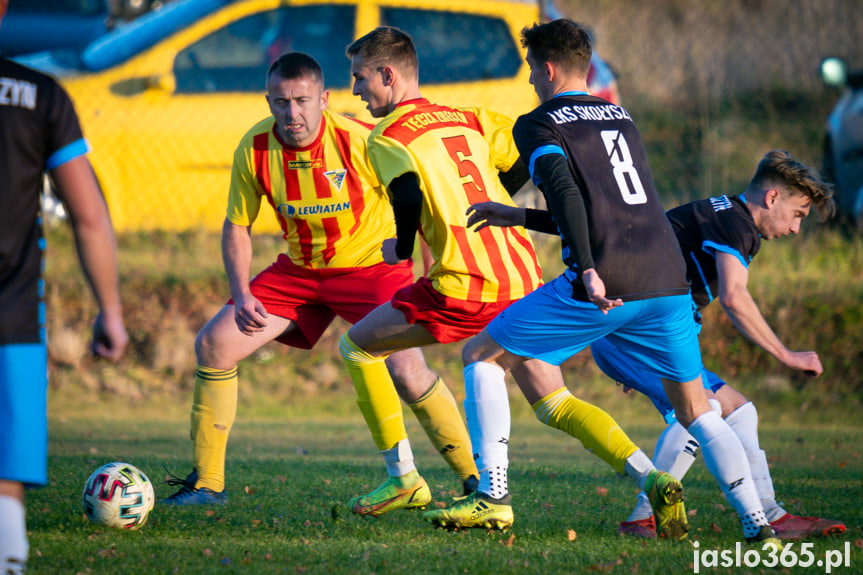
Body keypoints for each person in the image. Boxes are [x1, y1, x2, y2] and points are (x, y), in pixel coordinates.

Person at [424, 18, 781, 546]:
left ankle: (491, 497)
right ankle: (759, 525)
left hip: (607, 277)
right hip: (667, 276)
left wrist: (587, 268)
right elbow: (609, 209)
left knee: (483, 355)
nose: (529, 81)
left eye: (529, 70)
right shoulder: (620, 115)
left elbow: (566, 194)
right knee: (696, 409)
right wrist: (517, 216)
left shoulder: (539, 122)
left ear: (547, 69)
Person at [161, 52, 479, 506]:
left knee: (405, 368)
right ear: (268, 101)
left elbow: (419, 199)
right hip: (300, 274)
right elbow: (237, 226)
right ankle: (208, 485)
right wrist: (241, 292)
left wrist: (428, 273)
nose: (292, 113)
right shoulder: (253, 148)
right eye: (281, 102)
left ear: (324, 99)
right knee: (214, 344)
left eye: (302, 101)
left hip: (372, 270)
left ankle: (474, 480)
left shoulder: (362, 139)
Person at [339, 26, 552, 520]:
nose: (355, 89)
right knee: (553, 400)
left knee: (358, 346)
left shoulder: (386, 134)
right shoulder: (467, 116)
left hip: (462, 282)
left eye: (359, 77)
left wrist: (402, 248)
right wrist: (500, 195)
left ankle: (407, 479)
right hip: (520, 273)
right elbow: (524, 152)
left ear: (387, 75)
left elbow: (408, 194)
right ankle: (648, 475)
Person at [587, 150, 846, 540]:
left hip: (634, 333)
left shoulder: (722, 211)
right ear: (772, 197)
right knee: (700, 409)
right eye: (799, 214)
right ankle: (644, 517)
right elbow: (734, 297)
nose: (795, 229)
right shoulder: (735, 225)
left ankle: (771, 513)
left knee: (738, 411)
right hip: (630, 334)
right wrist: (786, 354)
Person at [0, 0, 128, 570]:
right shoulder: (40, 94)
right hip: (14, 314)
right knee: (6, 469)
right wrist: (111, 311)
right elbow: (89, 215)